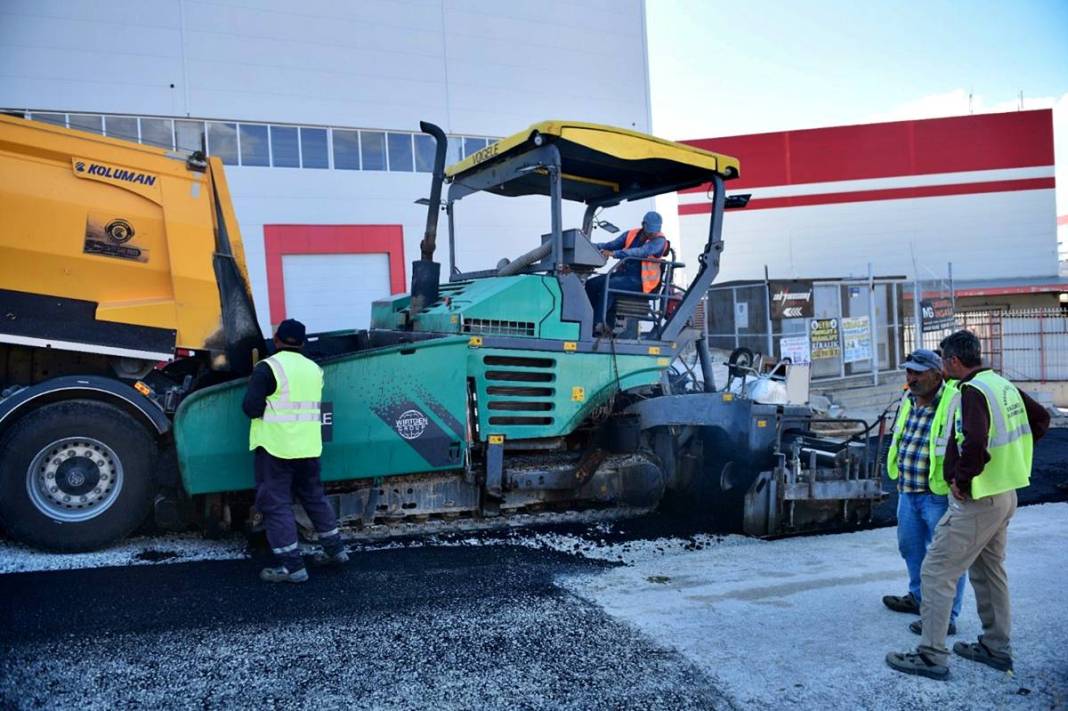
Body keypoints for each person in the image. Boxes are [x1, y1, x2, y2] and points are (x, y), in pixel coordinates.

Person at [886, 330, 1050, 680]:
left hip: (980, 498)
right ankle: (996, 647)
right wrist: (1011, 457)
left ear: (954, 361)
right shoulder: (1000, 384)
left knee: (936, 571)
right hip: (1005, 493)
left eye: (943, 361)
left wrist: (962, 479)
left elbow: (974, 441)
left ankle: (932, 655)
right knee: (988, 572)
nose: (943, 368)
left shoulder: (972, 391)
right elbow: (1039, 419)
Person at [242, 318, 348, 583]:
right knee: (314, 497)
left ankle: (292, 566)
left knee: (276, 504)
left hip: (277, 447)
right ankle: (336, 550)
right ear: (302, 343)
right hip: (308, 447)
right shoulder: (315, 369)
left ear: (276, 340)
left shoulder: (268, 368)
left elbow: (251, 408)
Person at [881, 349, 967, 635]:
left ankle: (946, 616)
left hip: (937, 493)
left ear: (937, 373)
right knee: (911, 548)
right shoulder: (908, 400)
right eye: (909, 372)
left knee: (947, 557)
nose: (911, 378)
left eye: (918, 372)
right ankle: (918, 598)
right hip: (908, 490)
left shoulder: (953, 400)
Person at [585, 210, 670, 331]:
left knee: (610, 285)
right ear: (643, 224)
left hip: (641, 282)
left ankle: (598, 323)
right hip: (623, 275)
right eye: (650, 231)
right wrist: (589, 245)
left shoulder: (659, 241)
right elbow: (611, 245)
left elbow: (641, 252)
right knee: (591, 284)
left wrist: (614, 254)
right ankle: (587, 319)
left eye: (655, 231)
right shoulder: (631, 234)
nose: (652, 234)